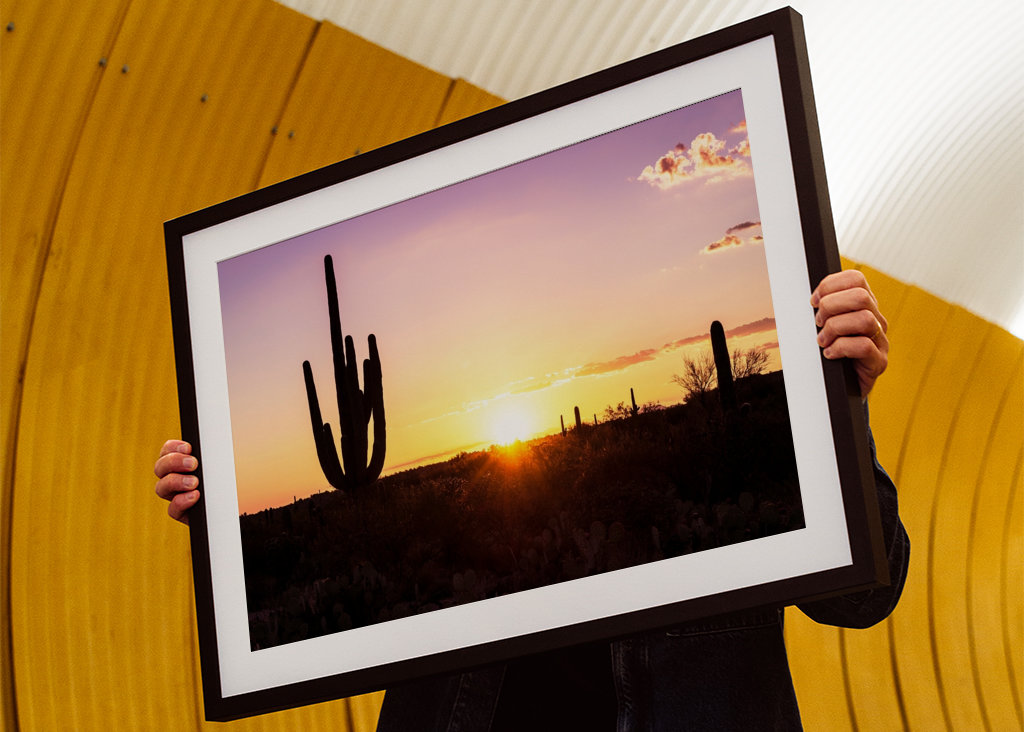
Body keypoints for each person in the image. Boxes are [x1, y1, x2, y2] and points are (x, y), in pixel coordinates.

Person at [154, 270, 908, 731]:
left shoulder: (763, 442)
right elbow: (337, 588)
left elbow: (865, 594)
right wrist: (228, 525)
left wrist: (839, 404)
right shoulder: (446, 535)